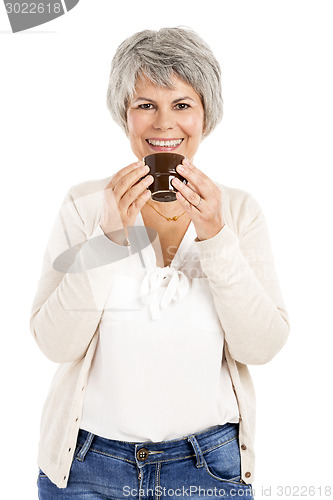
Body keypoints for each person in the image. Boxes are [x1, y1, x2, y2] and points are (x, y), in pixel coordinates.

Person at [31, 27, 289, 499]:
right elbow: (53, 342)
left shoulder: (238, 211)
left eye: (182, 104)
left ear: (206, 115)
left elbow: (262, 346)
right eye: (145, 104)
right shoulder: (85, 204)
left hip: (208, 468)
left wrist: (215, 236)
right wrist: (108, 239)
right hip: (88, 468)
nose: (163, 123)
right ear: (124, 115)